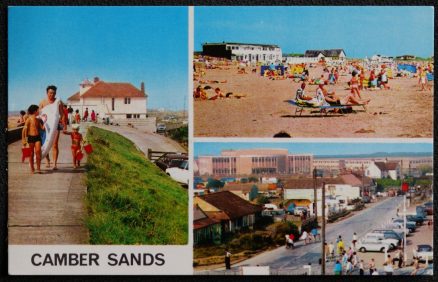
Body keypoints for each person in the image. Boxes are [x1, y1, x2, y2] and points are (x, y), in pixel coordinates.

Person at [39, 85, 66, 170]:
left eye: (54, 93)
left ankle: (54, 164)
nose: (52, 95)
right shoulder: (42, 102)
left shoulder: (58, 102)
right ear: (47, 93)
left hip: (55, 125)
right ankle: (47, 160)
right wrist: (40, 125)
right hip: (46, 125)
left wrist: (64, 125)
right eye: (50, 93)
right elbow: (39, 115)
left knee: (55, 144)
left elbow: (62, 115)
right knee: (45, 144)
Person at [22, 105, 45, 174]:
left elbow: (42, 128)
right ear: (35, 111)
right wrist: (24, 140)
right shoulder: (28, 119)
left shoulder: (38, 120)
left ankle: (38, 168)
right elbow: (24, 130)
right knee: (31, 154)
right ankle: (32, 168)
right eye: (38, 110)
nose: (39, 111)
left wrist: (46, 122)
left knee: (38, 152)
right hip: (30, 138)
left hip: (37, 137)